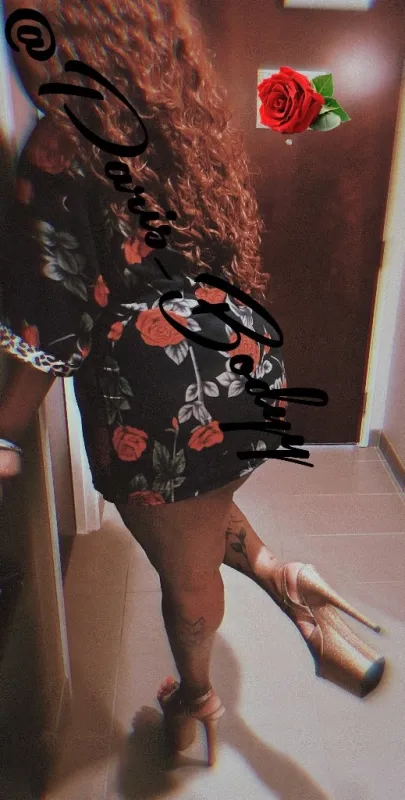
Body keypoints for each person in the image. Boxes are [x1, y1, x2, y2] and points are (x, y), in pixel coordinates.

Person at [0, 0, 385, 768]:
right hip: (238, 356)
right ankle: (287, 579)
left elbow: (57, 314)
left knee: (185, 580)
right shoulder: (176, 117)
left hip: (159, 394)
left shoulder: (59, 143)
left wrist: (4, 428)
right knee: (198, 518)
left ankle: (195, 699)